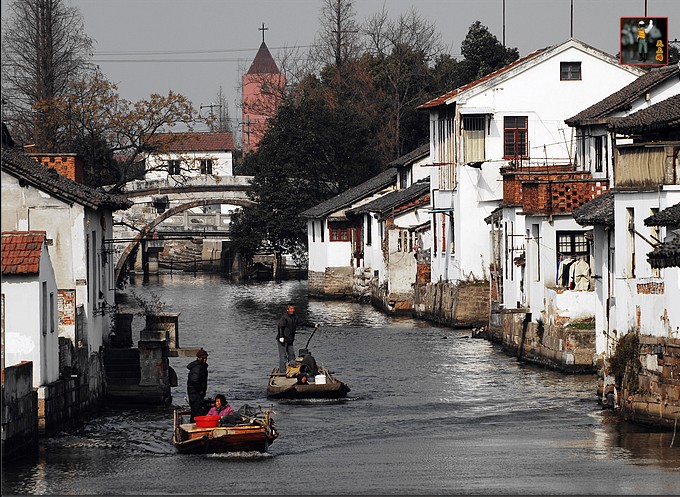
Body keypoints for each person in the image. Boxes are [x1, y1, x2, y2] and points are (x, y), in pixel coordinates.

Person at [276, 303, 318, 374]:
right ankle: (282, 372)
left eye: (293, 309)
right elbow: (280, 327)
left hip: (290, 340)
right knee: (283, 357)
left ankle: (292, 371)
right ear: (288, 310)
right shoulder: (284, 318)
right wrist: (281, 337)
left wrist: (313, 325)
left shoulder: (295, 317)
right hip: (283, 341)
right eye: (291, 309)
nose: (293, 310)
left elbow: (303, 322)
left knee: (292, 355)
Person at [186, 347, 209, 422]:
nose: (205, 359)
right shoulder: (198, 367)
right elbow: (194, 380)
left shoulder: (200, 366)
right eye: (203, 358)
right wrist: (200, 391)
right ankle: (196, 426)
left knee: (195, 412)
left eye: (206, 358)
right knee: (197, 412)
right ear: (199, 358)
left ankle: (193, 424)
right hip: (195, 394)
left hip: (194, 393)